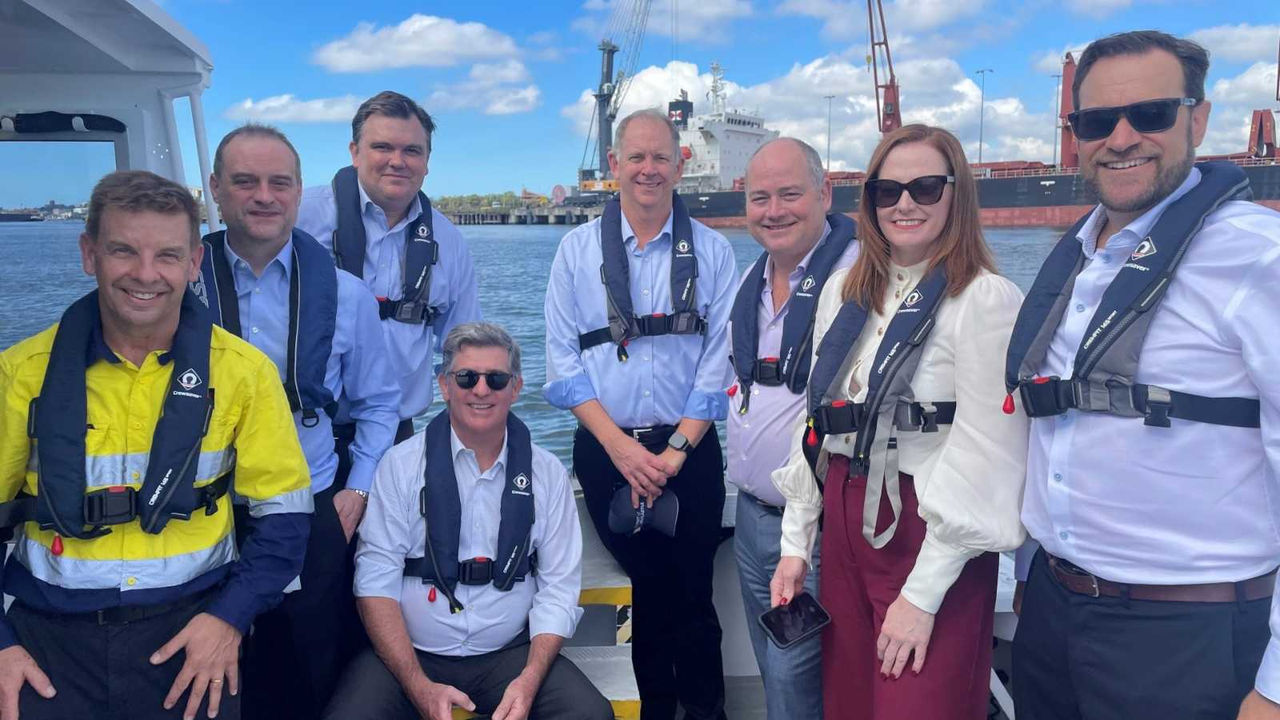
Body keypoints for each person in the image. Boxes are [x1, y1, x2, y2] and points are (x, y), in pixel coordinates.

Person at [1009, 30, 1280, 720]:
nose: (1122, 138)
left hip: (1186, 635)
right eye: (1098, 121)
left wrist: (1276, 687)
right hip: (1052, 611)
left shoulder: (1258, 257)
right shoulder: (1077, 258)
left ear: (1198, 118)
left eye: (1150, 114)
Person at [0, 170, 313, 720]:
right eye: (123, 250)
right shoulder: (19, 374)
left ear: (194, 263)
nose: (145, 274)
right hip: (45, 650)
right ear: (89, 254)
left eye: (167, 255)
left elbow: (285, 517)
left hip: (195, 641)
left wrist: (229, 619)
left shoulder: (244, 374)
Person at [769, 124, 1028, 719]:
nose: (904, 204)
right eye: (888, 191)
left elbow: (989, 456)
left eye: (925, 187)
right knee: (851, 705)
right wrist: (795, 545)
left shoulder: (984, 299)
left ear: (956, 193)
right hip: (845, 521)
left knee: (918, 704)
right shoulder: (845, 291)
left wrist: (922, 595)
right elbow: (817, 426)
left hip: (929, 532)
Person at [197, 125, 401, 720]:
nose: (264, 196)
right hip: (203, 508)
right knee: (215, 668)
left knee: (314, 661)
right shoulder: (179, 288)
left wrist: (357, 489)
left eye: (279, 183)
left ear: (297, 189)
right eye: (245, 181)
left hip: (310, 503)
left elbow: (379, 404)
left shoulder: (347, 296)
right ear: (215, 189)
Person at [543, 108, 737, 720]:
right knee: (648, 590)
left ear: (680, 164)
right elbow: (563, 364)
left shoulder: (714, 251)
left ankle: (705, 712)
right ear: (615, 164)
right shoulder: (576, 253)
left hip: (691, 448)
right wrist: (621, 449)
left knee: (695, 593)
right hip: (607, 450)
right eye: (637, 157)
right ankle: (655, 710)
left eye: (660, 157)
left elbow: (719, 361)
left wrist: (676, 450)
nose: (648, 169)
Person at [323, 323, 612, 720]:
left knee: (591, 714)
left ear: (515, 388)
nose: (481, 390)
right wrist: (417, 685)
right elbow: (375, 582)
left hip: (510, 655)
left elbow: (558, 589)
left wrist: (528, 680)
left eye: (496, 379)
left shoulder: (547, 473)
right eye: (466, 378)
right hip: (412, 656)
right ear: (444, 385)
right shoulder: (399, 466)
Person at [726, 137, 858, 720]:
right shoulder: (751, 282)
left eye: (789, 194)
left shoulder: (857, 279)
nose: (773, 211)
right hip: (752, 520)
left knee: (796, 682)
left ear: (824, 193)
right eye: (760, 198)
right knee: (774, 674)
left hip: (815, 530)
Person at [296, 90, 482, 440]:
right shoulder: (299, 217)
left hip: (396, 434)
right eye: (382, 147)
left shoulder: (450, 242)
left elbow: (465, 345)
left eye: (412, 150)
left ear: (427, 161)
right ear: (355, 152)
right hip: (298, 428)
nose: (397, 161)